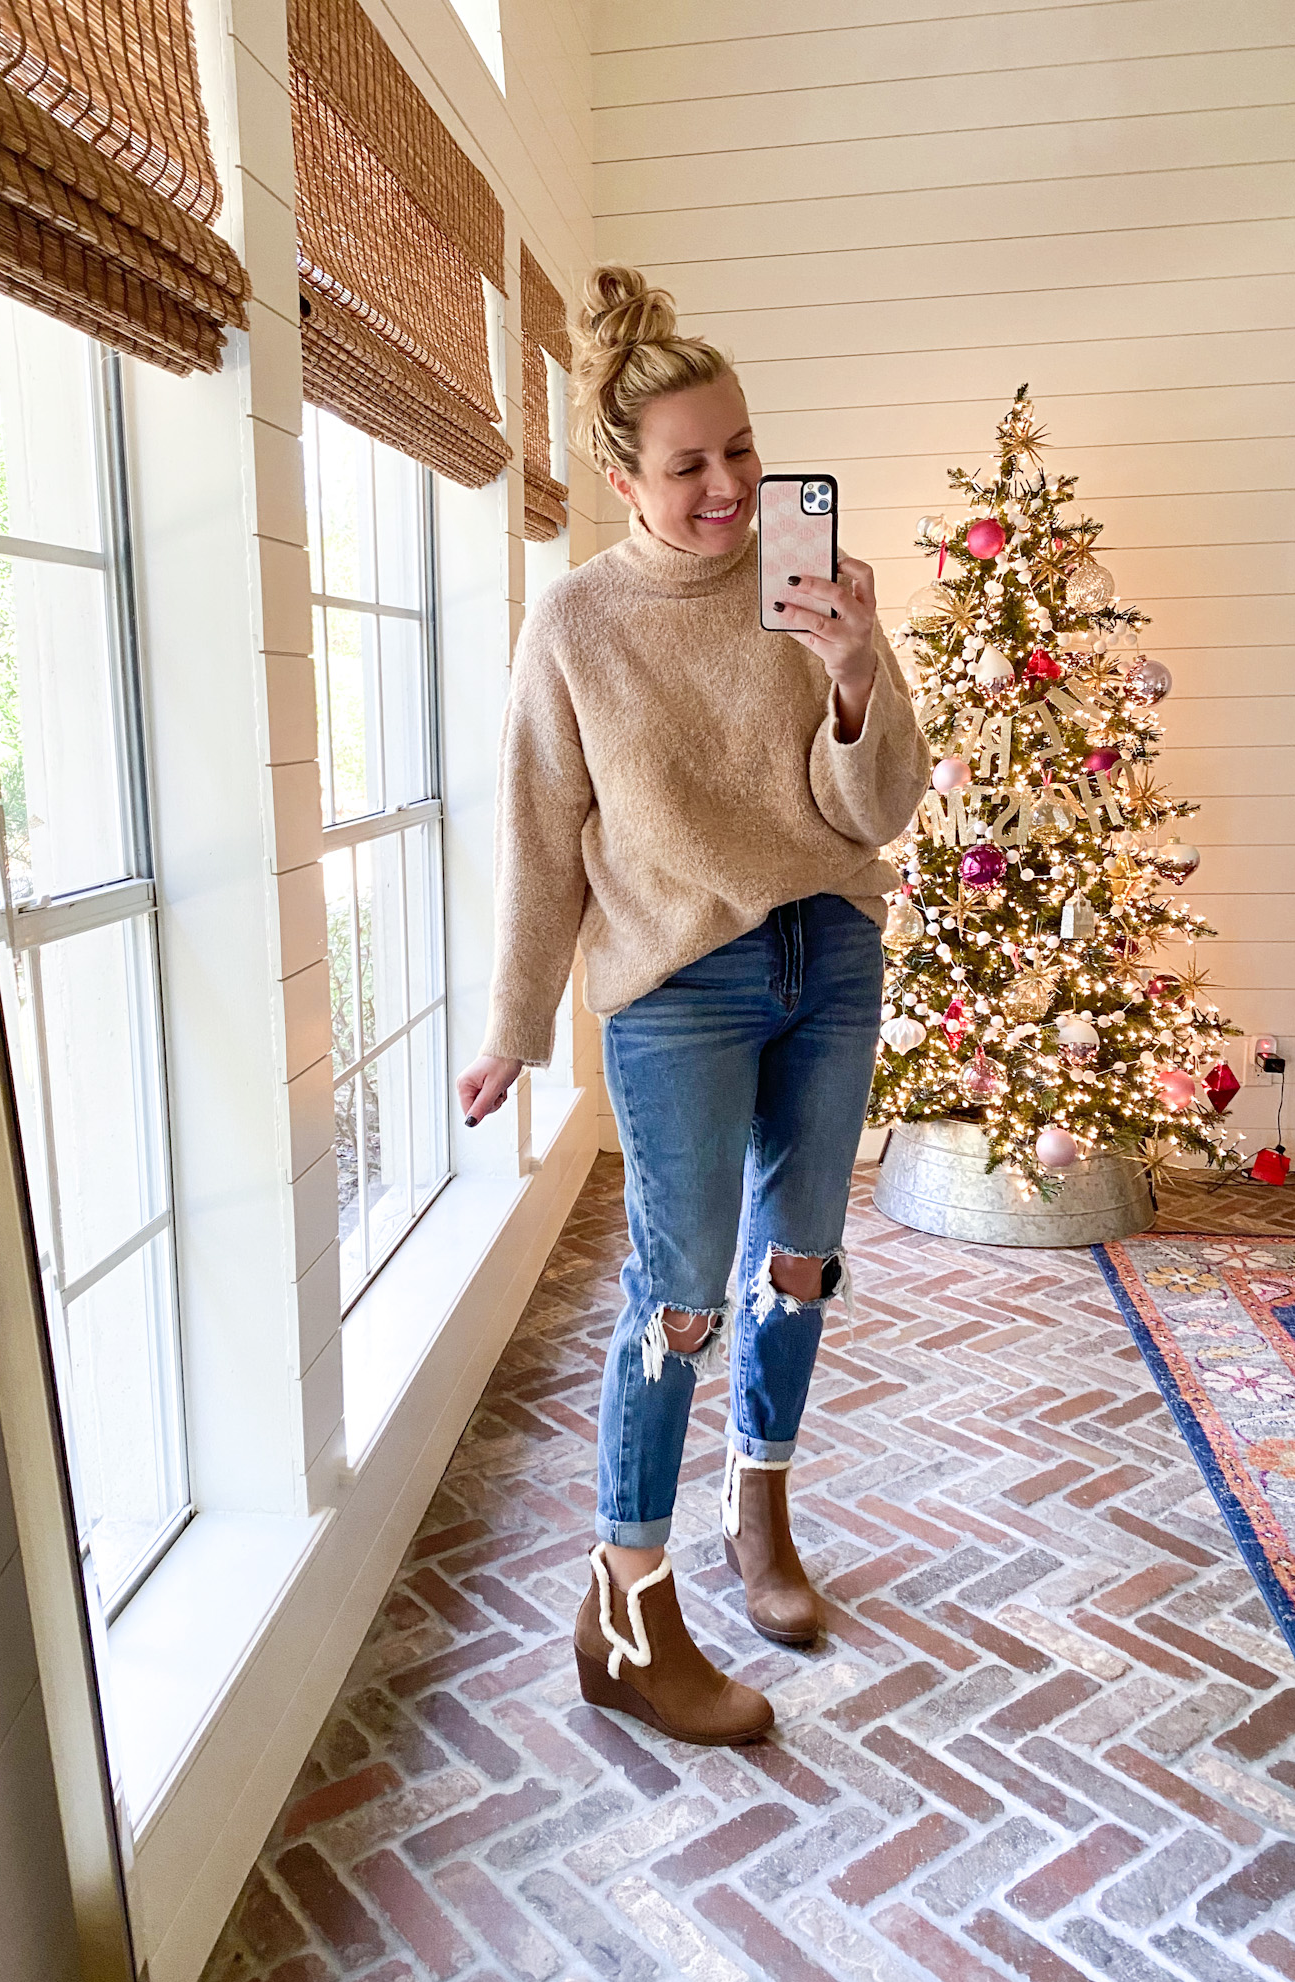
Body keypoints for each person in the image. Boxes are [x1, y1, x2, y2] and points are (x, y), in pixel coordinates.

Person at [456, 267, 930, 1746]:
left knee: (801, 1261)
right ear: (621, 477)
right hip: (677, 983)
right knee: (677, 1300)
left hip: (831, 947)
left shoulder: (811, 586)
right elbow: (543, 830)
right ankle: (625, 1600)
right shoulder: (578, 624)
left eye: (741, 448)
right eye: (688, 464)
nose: (730, 485)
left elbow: (880, 810)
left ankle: (760, 1510)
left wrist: (856, 678)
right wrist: (514, 1023)